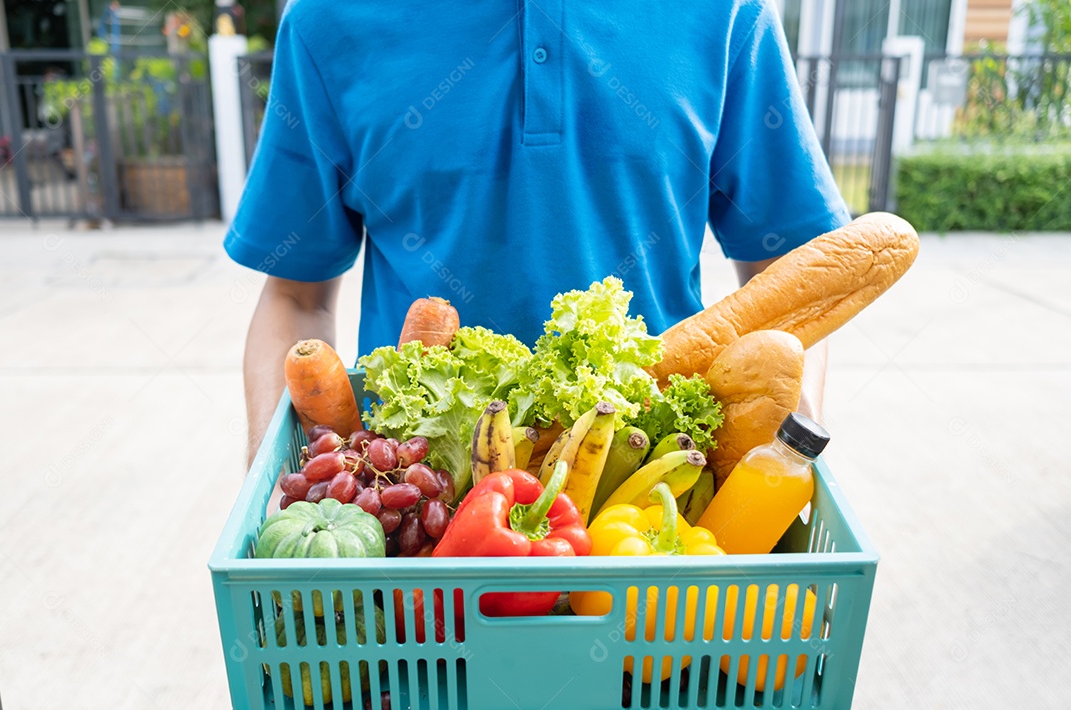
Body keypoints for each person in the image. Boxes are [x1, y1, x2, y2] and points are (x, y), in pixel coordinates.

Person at [226, 0, 849, 463]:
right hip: (414, 503)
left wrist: (793, 443)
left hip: (660, 479)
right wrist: (269, 477)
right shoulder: (331, 21)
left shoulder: (725, 14)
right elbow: (295, 297)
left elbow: (792, 279)